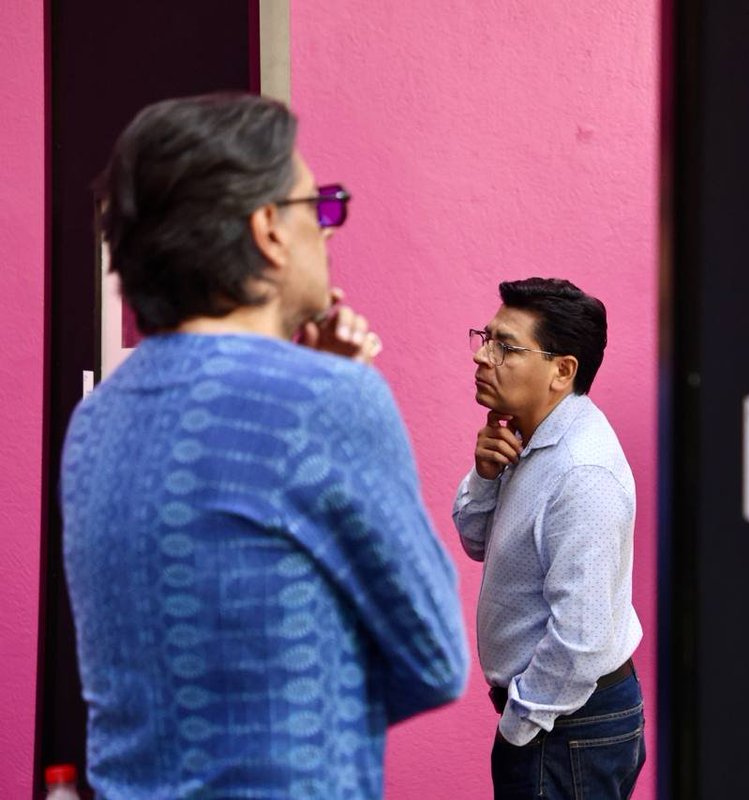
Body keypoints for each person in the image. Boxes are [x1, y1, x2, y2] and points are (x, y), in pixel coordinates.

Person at [59, 93, 469, 798]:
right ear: (270, 230)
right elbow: (435, 657)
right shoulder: (329, 400)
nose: (330, 231)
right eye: (321, 207)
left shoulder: (94, 421)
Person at [453, 278, 646, 799]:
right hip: (559, 720)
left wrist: (520, 725)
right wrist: (484, 476)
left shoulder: (583, 472)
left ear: (562, 370)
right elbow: (477, 542)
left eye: (506, 346)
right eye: (485, 337)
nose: (482, 357)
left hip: (567, 725)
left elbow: (579, 641)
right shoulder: (526, 435)